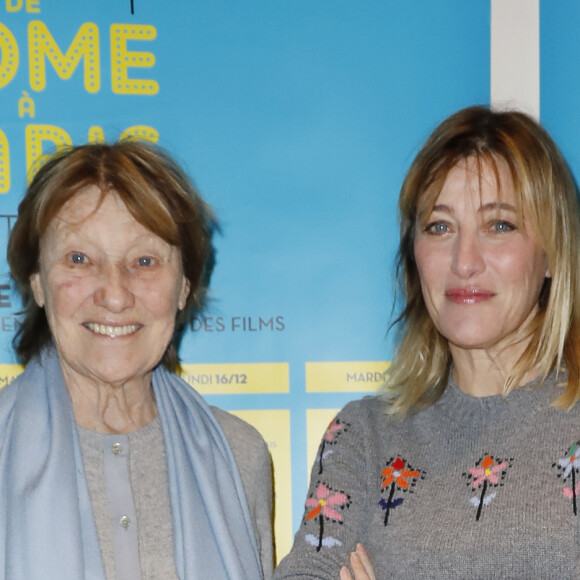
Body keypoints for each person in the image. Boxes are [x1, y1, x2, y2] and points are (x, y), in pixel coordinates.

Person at [274, 105, 580, 579]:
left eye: (499, 225)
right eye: (440, 227)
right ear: (413, 256)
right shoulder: (363, 436)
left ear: (552, 253)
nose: (464, 260)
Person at [0, 141, 273, 580]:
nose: (113, 294)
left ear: (184, 286)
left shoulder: (241, 456)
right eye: (79, 258)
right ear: (36, 282)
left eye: (144, 261)